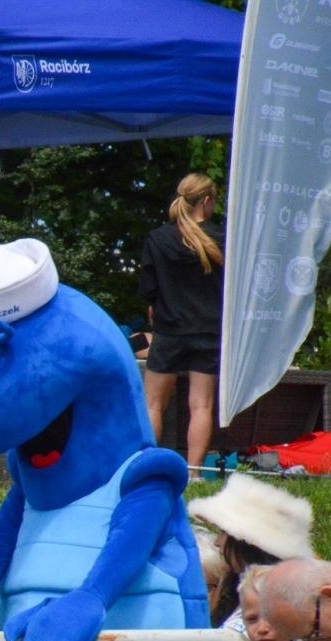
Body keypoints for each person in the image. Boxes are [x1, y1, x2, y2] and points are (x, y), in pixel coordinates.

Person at [139, 172, 224, 477]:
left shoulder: (158, 239)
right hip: (209, 330)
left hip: (169, 330)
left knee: (152, 405)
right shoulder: (222, 239)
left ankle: (146, 468)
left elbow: (149, 288)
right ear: (205, 200)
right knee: (200, 405)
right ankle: (195, 473)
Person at [187, 472, 313, 629]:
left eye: (224, 532)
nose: (218, 543)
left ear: (245, 543)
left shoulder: (274, 602)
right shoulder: (237, 595)